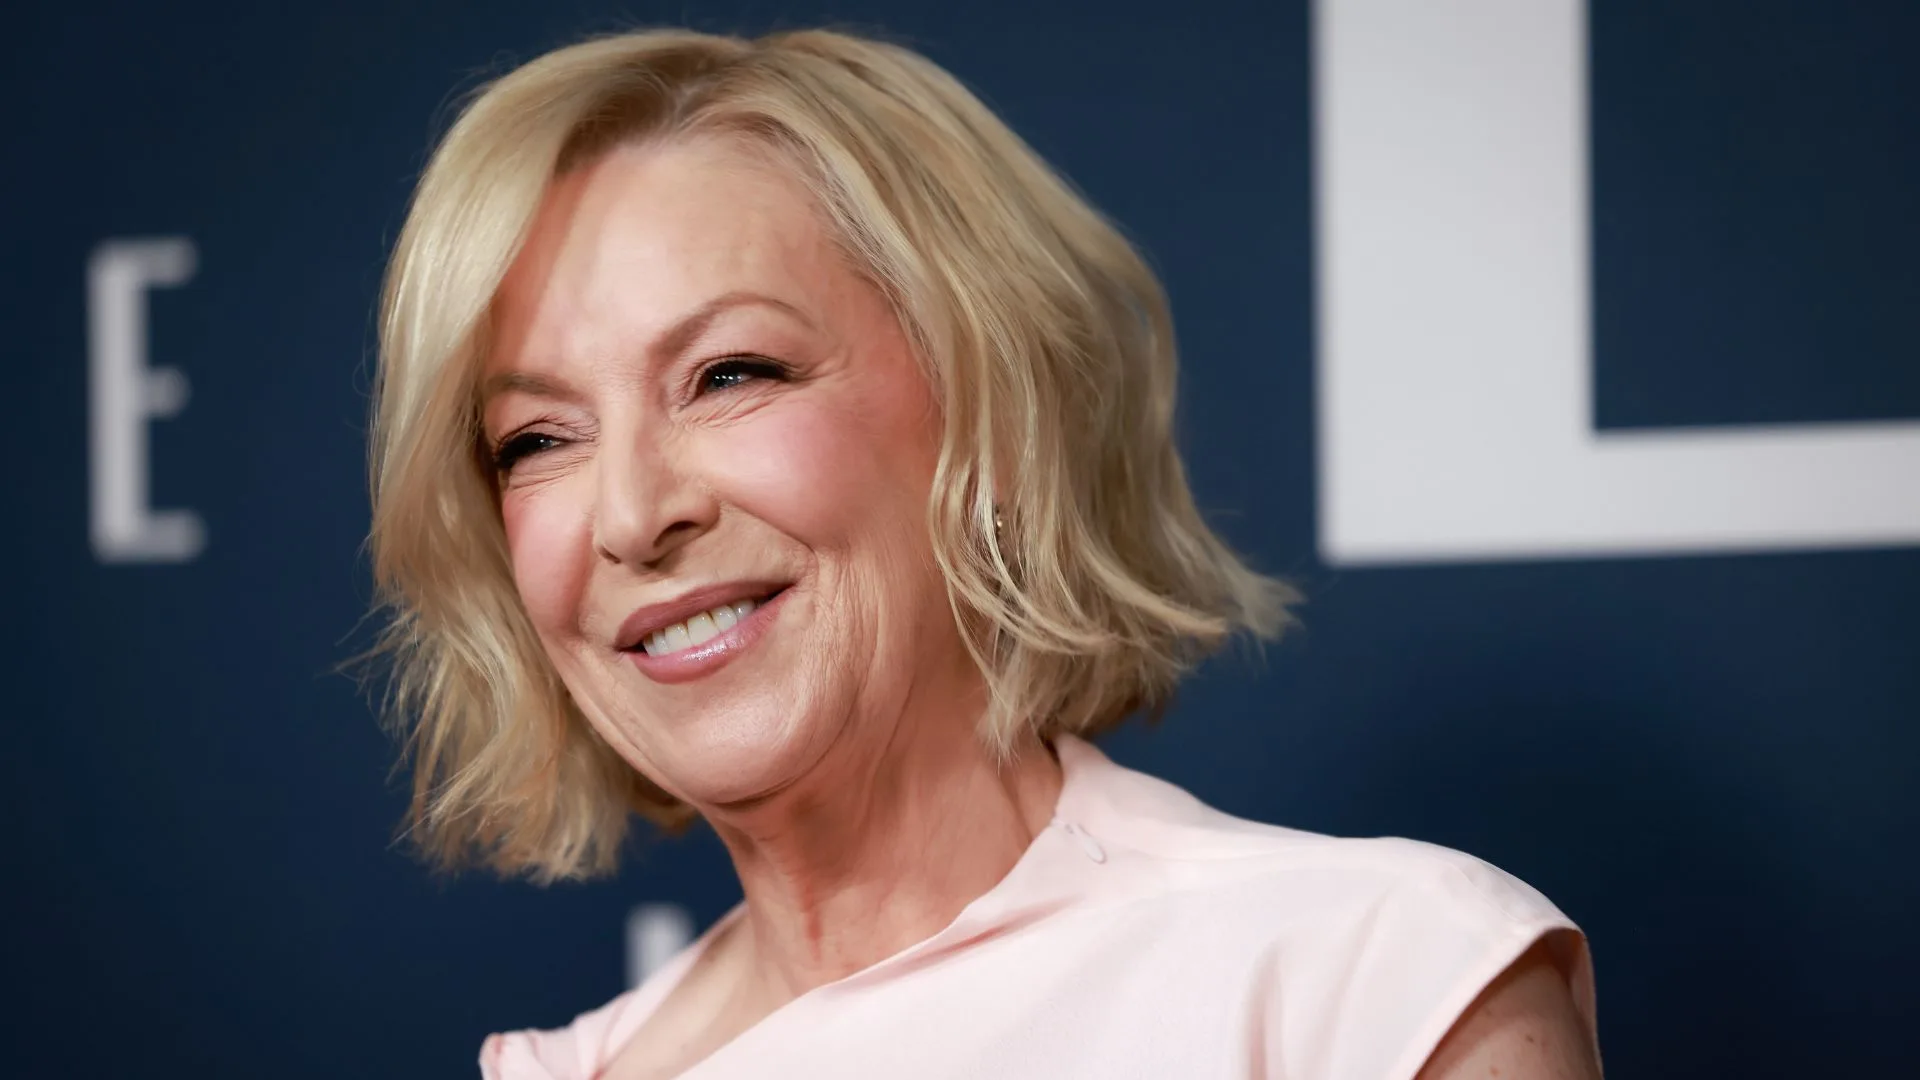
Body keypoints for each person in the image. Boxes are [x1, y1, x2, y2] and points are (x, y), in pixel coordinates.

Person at [367, 27, 1601, 1080]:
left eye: (729, 374)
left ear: (993, 416)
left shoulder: (1380, 985)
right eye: (536, 440)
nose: (633, 515)